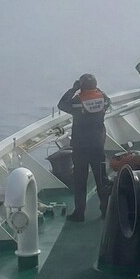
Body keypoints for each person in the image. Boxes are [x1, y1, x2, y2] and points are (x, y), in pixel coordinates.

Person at [58, 73, 111, 221]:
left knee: (80, 181)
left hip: (81, 147)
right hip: (98, 145)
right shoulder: (103, 99)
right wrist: (96, 90)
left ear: (81, 86)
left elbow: (62, 104)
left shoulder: (77, 101)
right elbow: (108, 100)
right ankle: (105, 210)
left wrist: (73, 89)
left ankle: (79, 213)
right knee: (102, 179)